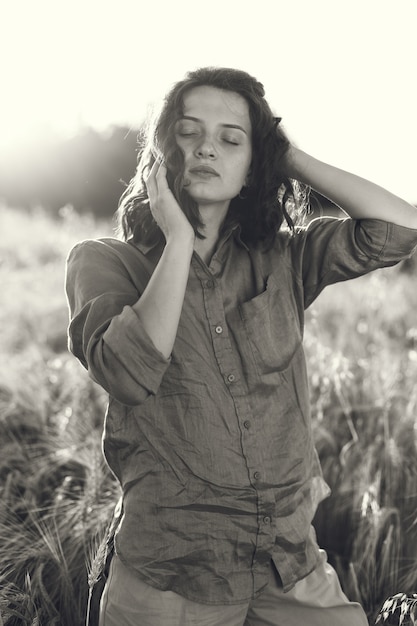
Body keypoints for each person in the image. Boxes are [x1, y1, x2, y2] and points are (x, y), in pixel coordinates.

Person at [65, 67, 417, 626]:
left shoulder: (284, 258)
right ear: (160, 152)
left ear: (254, 169)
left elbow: (398, 230)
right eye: (188, 132)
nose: (207, 146)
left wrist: (285, 154)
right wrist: (180, 238)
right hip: (173, 575)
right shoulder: (106, 262)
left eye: (232, 139)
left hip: (288, 563)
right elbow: (130, 374)